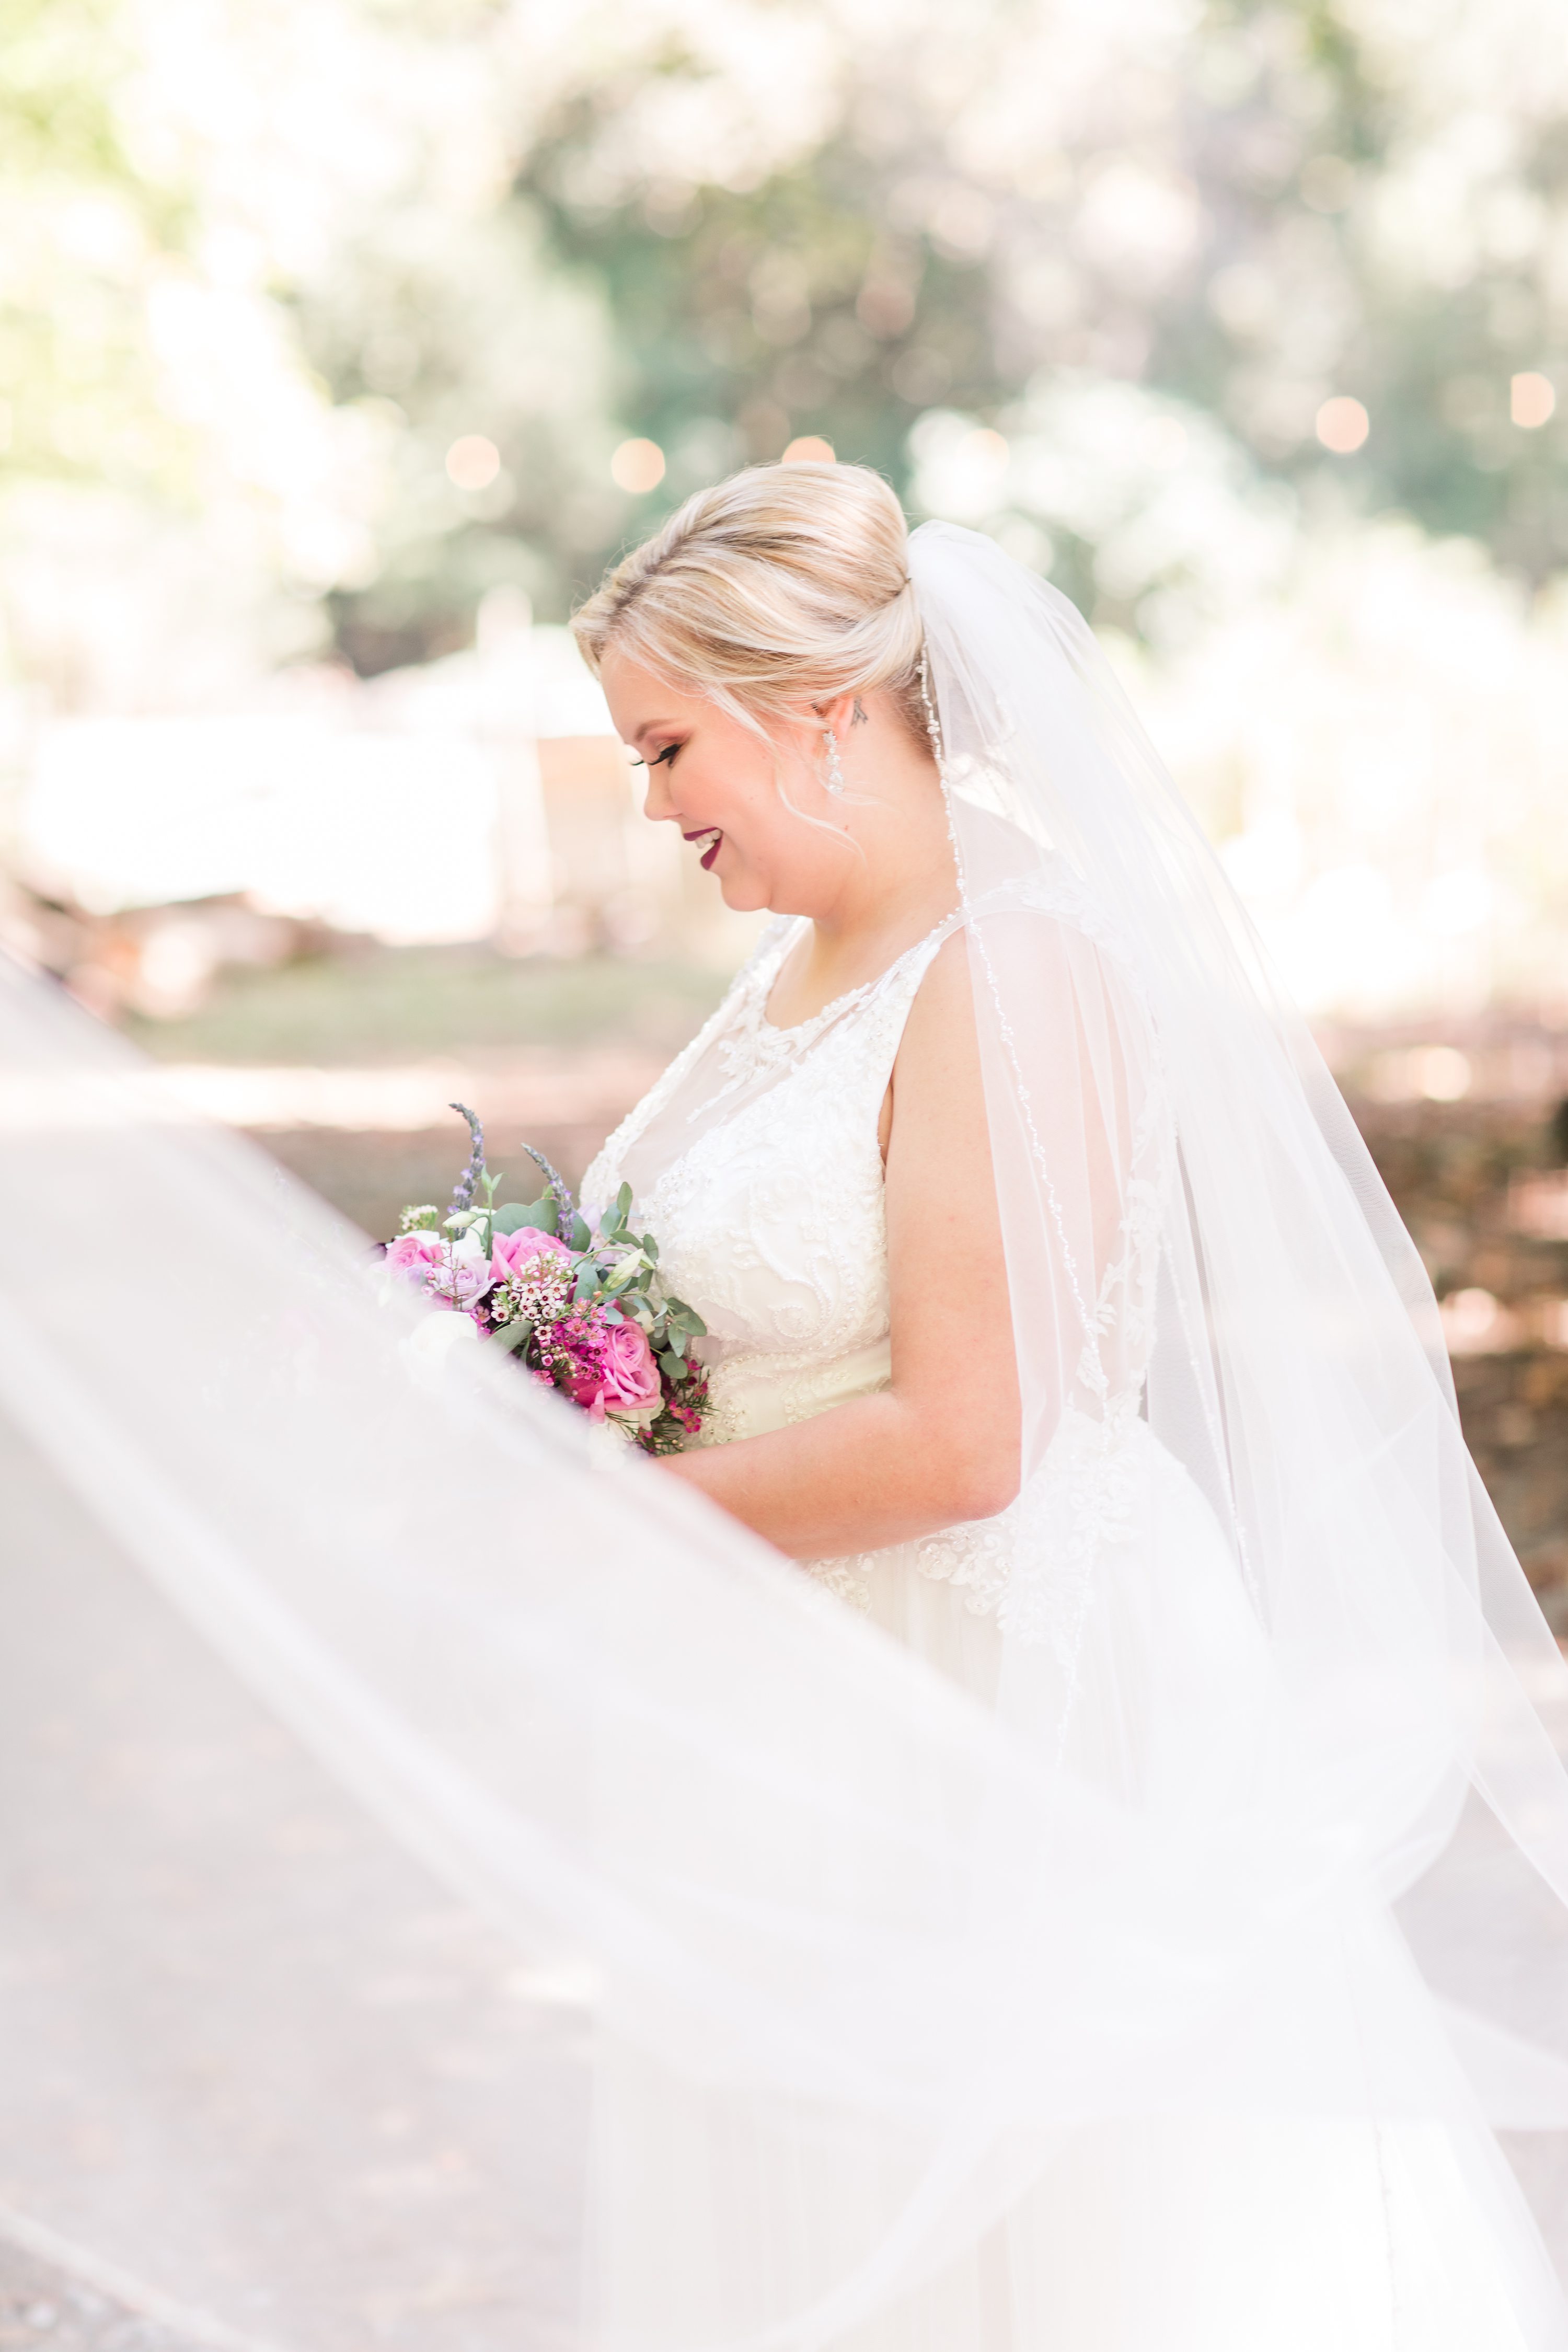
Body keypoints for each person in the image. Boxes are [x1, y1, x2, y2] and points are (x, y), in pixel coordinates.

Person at [4, 463, 1568, 2352]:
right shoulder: (785, 975)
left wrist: (572, 1504)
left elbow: (967, 1440)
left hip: (999, 1730)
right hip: (789, 1720)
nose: (653, 805)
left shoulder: (1021, 970)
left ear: (820, 707)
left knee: (1063, 2255)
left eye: (670, 750)